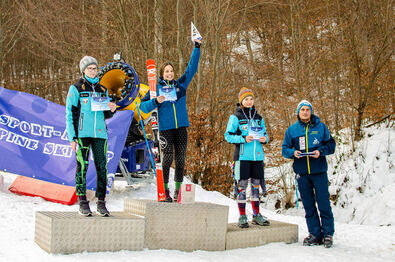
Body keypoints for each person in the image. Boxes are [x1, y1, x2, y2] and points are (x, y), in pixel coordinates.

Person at [139, 40, 201, 202]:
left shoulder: (180, 85)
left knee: (180, 159)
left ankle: (178, 192)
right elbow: (142, 107)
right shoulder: (155, 89)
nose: (169, 73)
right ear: (161, 74)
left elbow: (191, 69)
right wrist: (156, 101)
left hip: (181, 127)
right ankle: (165, 190)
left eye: (171, 71)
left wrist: (197, 47)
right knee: (167, 158)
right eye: (166, 71)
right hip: (165, 128)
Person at [66, 56, 117, 216]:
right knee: (82, 166)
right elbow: (70, 114)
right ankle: (82, 201)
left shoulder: (103, 90)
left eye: (95, 68)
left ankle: (101, 202)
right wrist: (72, 137)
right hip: (82, 134)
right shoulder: (76, 89)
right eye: (90, 68)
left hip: (100, 135)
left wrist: (112, 108)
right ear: (83, 70)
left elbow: (106, 114)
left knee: (102, 168)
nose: (93, 71)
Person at [282, 100, 336, 248]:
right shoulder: (292, 130)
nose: (305, 112)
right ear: (298, 112)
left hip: (319, 172)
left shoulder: (321, 127)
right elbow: (284, 149)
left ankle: (328, 234)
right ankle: (315, 234)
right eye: (302, 110)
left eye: (307, 109)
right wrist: (293, 153)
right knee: (309, 205)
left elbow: (331, 145)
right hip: (302, 174)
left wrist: (321, 151)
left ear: (311, 111)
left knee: (324, 204)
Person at [225, 88, 270, 228]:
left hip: (257, 157)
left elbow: (266, 135)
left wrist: (265, 139)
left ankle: (256, 215)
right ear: (241, 101)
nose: (249, 101)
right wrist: (243, 138)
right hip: (242, 157)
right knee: (242, 187)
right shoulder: (235, 117)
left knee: (256, 187)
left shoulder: (259, 117)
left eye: (251, 98)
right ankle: (242, 216)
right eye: (246, 99)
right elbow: (228, 136)